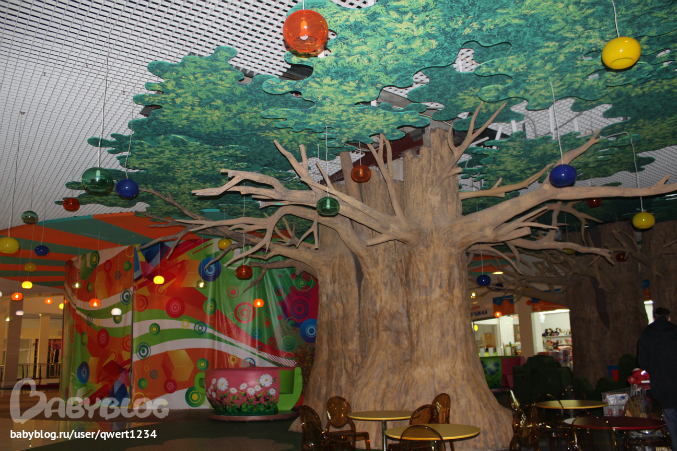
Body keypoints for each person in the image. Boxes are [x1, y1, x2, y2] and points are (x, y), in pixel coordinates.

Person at [638, 306, 677, 450]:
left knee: (671, 421)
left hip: (661, 384)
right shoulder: (675, 331)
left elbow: (642, 362)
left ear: (654, 317)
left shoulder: (647, 333)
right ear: (669, 317)